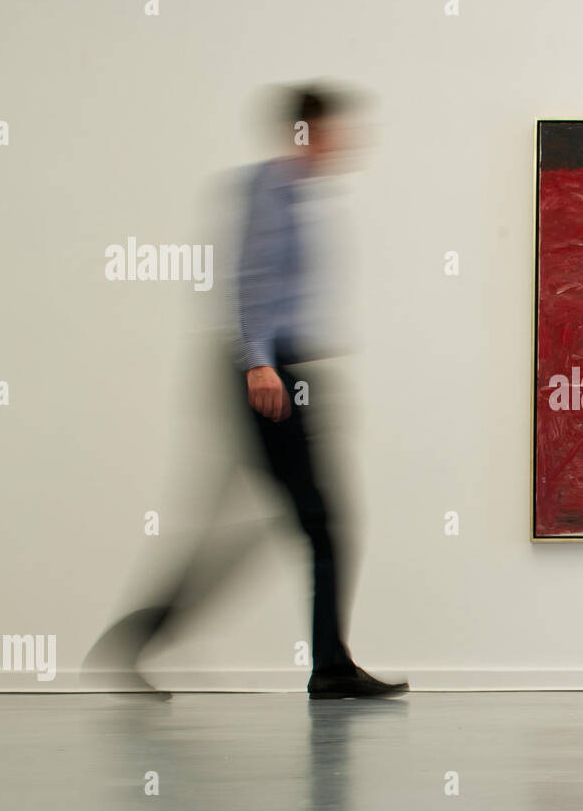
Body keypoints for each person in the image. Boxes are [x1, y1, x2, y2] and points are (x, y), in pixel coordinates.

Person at [84, 85, 405, 700]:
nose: (347, 142)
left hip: (289, 372)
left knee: (293, 522)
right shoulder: (271, 189)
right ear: (308, 130)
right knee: (318, 521)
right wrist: (259, 365)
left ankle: (145, 639)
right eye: (338, 130)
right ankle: (327, 668)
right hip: (267, 374)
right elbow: (249, 281)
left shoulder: (300, 195)